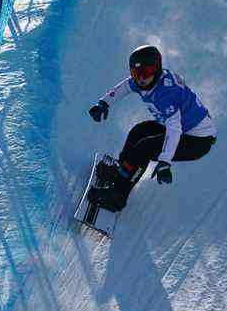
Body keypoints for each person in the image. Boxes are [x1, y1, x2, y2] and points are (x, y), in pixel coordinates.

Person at [87, 45, 217, 212]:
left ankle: (117, 196)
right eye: (136, 74)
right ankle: (123, 171)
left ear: (156, 69)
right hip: (186, 129)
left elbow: (174, 128)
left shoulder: (164, 94)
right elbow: (126, 87)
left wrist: (165, 161)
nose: (140, 79)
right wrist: (104, 102)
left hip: (198, 141)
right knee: (140, 131)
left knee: (145, 148)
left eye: (145, 74)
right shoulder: (146, 81)